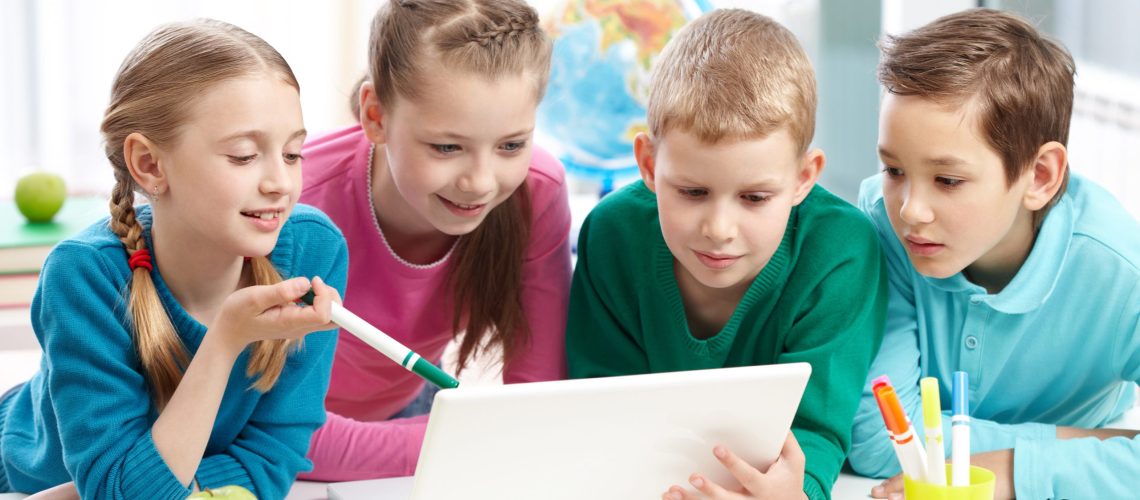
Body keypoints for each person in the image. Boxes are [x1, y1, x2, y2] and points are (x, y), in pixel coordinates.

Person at [0, 19, 347, 498]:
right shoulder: (83, 276)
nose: (281, 183)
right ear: (150, 165)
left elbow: (273, 463)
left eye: (292, 154)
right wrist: (226, 339)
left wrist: (149, 486)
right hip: (22, 475)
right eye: (244, 156)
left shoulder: (314, 251)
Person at [564, 9, 887, 500]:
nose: (718, 230)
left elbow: (816, 430)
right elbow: (601, 405)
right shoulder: (612, 235)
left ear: (804, 178)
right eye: (692, 192)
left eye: (755, 198)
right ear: (649, 165)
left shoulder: (841, 251)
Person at [846, 9, 1140, 500]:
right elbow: (881, 441)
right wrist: (1093, 448)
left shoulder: (1120, 271)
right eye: (894, 169)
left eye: (948, 180)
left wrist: (1013, 469)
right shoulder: (880, 223)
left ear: (1040, 177)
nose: (911, 210)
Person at [298, 0, 571, 480]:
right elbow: (275, 432)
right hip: (285, 438)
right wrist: (472, 436)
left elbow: (537, 398)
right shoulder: (297, 204)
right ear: (375, 114)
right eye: (447, 147)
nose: (481, 182)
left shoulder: (537, 193)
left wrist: (476, 434)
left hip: (414, 418)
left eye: (511, 145)